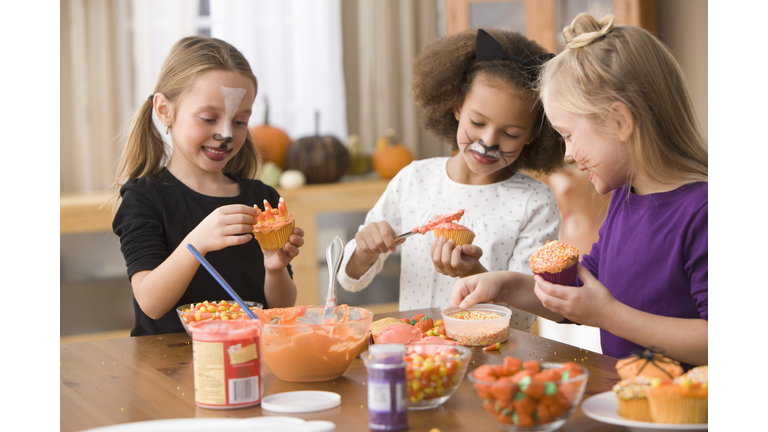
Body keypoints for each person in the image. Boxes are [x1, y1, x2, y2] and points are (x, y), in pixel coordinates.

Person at [451, 13, 708, 368]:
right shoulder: (626, 199)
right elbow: (579, 299)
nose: (568, 154)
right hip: (625, 407)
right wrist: (503, 285)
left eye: (569, 135)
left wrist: (609, 315)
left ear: (620, 121)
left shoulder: (704, 211)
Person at [338, 28, 564, 332]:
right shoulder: (414, 179)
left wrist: (474, 273)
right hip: (417, 350)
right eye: (477, 122)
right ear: (457, 106)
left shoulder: (535, 202)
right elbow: (349, 278)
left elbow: (525, 316)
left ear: (534, 134)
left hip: (493, 358)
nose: (488, 142)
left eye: (510, 134)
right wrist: (365, 248)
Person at [112, 36, 304, 336]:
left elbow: (281, 310)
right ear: (165, 111)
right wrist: (197, 241)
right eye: (208, 118)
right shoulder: (143, 198)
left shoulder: (262, 198)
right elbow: (150, 302)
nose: (226, 134)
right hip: (166, 370)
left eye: (240, 121)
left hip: (247, 357)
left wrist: (275, 267)